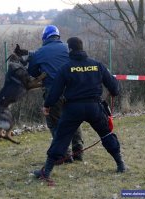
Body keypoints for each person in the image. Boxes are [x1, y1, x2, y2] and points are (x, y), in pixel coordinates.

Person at [33, 37, 126, 180]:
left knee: (61, 138)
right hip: (94, 108)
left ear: (69, 49)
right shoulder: (97, 65)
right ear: (82, 48)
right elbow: (114, 87)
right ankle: (120, 164)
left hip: (73, 109)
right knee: (106, 134)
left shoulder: (65, 68)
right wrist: (114, 92)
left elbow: (55, 91)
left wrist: (47, 105)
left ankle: (46, 171)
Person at [15, 25, 84, 162]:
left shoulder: (40, 52)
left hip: (53, 93)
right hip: (74, 91)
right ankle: (78, 151)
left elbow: (33, 72)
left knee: (55, 123)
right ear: (57, 36)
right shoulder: (68, 48)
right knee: (74, 120)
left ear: (44, 37)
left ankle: (64, 154)